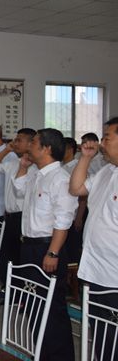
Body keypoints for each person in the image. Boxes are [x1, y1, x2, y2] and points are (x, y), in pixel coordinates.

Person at [12, 128, 77, 361]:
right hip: (29, 247)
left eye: (34, 142)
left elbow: (64, 220)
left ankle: (59, 357)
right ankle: (41, 353)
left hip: (47, 248)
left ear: (46, 148)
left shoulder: (60, 178)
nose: (29, 146)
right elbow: (19, 190)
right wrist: (23, 166)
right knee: (34, 304)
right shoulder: (36, 174)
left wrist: (53, 252)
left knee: (52, 308)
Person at [70, 116, 118, 361]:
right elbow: (76, 189)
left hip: (114, 275)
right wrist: (85, 158)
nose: (101, 144)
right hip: (96, 271)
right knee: (101, 335)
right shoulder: (106, 171)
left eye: (107, 138)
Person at [0, 128, 36, 298]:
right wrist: (6, 150)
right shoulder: (13, 162)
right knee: (6, 257)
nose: (15, 142)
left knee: (20, 257)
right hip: (10, 216)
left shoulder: (35, 166)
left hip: (23, 216)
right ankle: (10, 290)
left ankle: (21, 293)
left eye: (19, 140)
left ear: (30, 143)